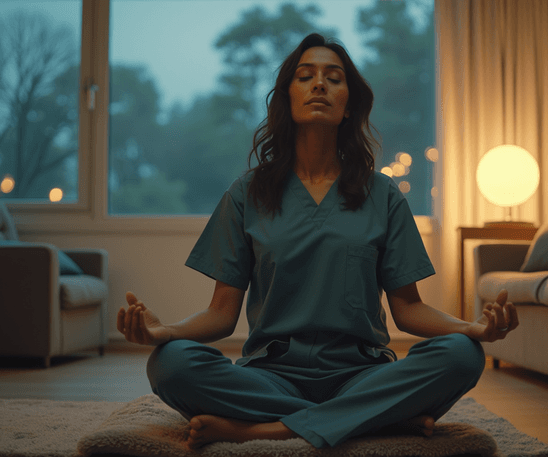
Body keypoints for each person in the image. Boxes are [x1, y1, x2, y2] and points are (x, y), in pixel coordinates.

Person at [117, 33, 518, 450]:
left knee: (463, 355)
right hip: (270, 375)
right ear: (287, 99)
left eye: (334, 77)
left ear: (349, 104)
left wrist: (471, 328)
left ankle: (268, 429)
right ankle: (373, 419)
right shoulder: (247, 193)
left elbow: (409, 309)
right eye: (305, 76)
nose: (320, 85)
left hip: (362, 373)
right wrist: (165, 331)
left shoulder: (382, 194)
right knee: (170, 365)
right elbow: (221, 314)